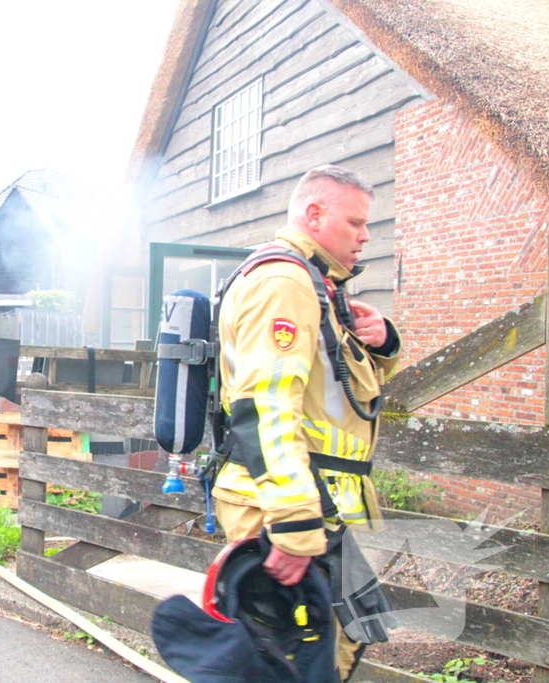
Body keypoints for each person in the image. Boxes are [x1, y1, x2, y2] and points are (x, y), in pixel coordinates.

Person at [213, 165, 401, 681]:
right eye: (355, 222)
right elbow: (266, 405)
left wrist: (383, 342)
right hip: (284, 503)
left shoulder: (317, 284)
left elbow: (337, 390)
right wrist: (294, 522)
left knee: (330, 649)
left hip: (314, 498)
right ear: (314, 215)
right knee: (291, 663)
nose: (366, 236)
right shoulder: (285, 282)